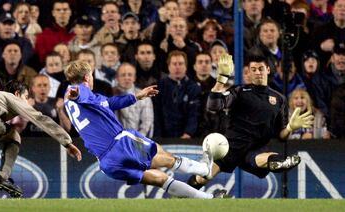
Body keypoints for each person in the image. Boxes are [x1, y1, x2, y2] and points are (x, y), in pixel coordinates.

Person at [63, 60, 226, 199]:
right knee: (166, 159)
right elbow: (78, 93)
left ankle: (208, 199)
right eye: (91, 75)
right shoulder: (78, 91)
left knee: (159, 179)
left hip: (106, 162)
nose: (92, 79)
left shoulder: (76, 101)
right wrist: (76, 94)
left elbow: (111, 103)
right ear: (86, 77)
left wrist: (137, 96)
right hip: (121, 145)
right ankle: (205, 170)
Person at [187, 52, 314, 189]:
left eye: (261, 69)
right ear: (249, 72)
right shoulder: (239, 91)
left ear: (268, 70)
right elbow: (213, 106)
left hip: (256, 148)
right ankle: (182, 194)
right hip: (231, 147)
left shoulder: (279, 99)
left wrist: (290, 128)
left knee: (269, 158)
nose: (258, 72)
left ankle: (280, 162)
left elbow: (281, 136)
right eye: (253, 70)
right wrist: (221, 79)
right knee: (202, 178)